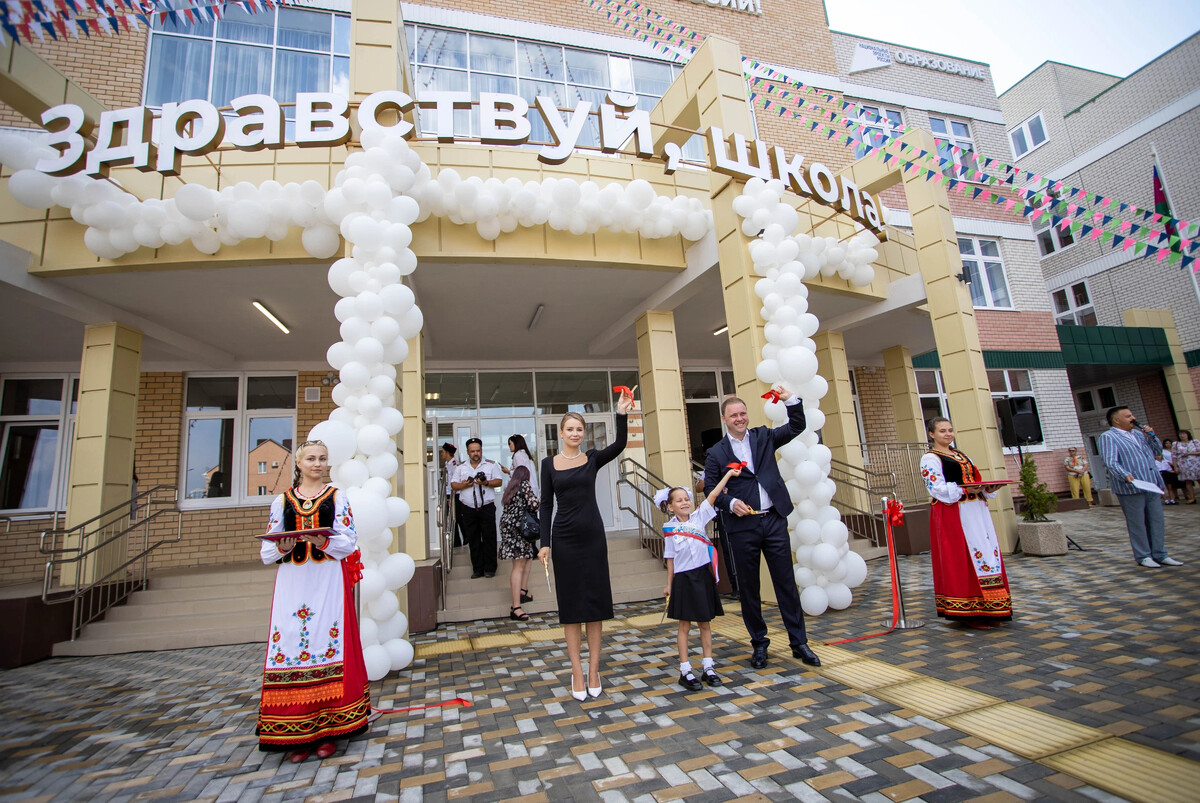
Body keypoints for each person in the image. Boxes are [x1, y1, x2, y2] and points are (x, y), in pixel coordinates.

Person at [256, 440, 369, 762]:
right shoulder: (282, 501)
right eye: (311, 459)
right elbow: (267, 551)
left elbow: (348, 541)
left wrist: (324, 541)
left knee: (326, 642)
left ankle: (331, 728)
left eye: (322, 459)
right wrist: (282, 546)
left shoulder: (337, 497)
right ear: (299, 464)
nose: (317, 464)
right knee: (291, 644)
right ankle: (295, 728)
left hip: (326, 580)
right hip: (293, 581)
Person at [703, 386, 821, 669]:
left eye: (743, 413)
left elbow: (797, 425)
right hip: (743, 527)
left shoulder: (764, 436)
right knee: (750, 588)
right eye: (734, 415)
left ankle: (799, 642)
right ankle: (759, 643)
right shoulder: (716, 452)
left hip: (774, 520)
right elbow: (710, 489)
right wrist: (731, 503)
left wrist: (790, 399)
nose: (740, 418)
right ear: (724, 418)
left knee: (786, 584)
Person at [537, 389, 633, 701]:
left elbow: (619, 445)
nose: (576, 433)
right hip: (563, 539)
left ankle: (594, 669)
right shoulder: (548, 464)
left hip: (593, 537)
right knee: (571, 608)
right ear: (561, 432)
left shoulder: (592, 459)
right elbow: (546, 506)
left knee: (594, 606)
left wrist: (620, 413)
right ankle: (576, 670)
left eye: (580, 429)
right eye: (570, 429)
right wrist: (544, 543)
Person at [920, 417, 1013, 623]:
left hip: (976, 510)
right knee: (963, 556)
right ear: (931, 434)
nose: (948, 434)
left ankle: (992, 606)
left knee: (987, 553)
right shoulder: (930, 458)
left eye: (950, 430)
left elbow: (974, 479)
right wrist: (963, 490)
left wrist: (987, 489)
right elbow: (935, 488)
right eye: (942, 431)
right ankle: (969, 609)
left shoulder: (960, 455)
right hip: (955, 512)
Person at [659, 465, 741, 691]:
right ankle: (685, 670)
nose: (684, 502)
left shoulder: (699, 517)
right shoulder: (669, 529)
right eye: (679, 500)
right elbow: (670, 559)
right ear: (670, 506)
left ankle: (708, 667)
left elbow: (713, 494)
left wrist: (728, 475)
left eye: (686, 498)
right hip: (683, 580)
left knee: (705, 623)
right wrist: (669, 584)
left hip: (703, 576)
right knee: (684, 625)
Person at [1098, 407, 1183, 568]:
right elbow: (1110, 461)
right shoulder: (1108, 437)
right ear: (1117, 420)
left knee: (1156, 520)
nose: (1133, 418)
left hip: (1151, 484)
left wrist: (1152, 436)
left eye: (1132, 415)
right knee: (1137, 523)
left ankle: (1160, 553)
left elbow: (1158, 452)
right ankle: (1143, 555)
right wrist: (1124, 474)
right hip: (1130, 487)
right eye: (1128, 416)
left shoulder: (1138, 434)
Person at [499, 435, 539, 621]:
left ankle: (522, 592)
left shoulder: (510, 488)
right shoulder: (525, 484)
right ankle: (516, 606)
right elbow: (534, 505)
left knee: (525, 559)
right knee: (518, 565)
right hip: (521, 529)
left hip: (509, 528)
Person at [451, 438, 503, 579]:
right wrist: (464, 485)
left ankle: (490, 568)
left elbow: (499, 481)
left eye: (478, 450)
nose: (476, 453)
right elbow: (453, 484)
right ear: (468, 452)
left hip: (486, 507)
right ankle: (477, 569)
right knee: (473, 539)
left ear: (481, 450)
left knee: (489, 537)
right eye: (473, 451)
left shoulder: (491, 465)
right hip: (468, 508)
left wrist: (486, 482)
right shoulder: (461, 467)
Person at [440, 443, 466, 547]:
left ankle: (464, 538)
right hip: (449, 494)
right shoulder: (448, 464)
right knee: (453, 518)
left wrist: (451, 497)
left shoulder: (454, 465)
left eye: (443, 452)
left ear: (447, 453)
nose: (441, 454)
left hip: (454, 495)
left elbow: (456, 481)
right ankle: (457, 541)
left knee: (456, 518)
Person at [1172, 430, 1200, 504]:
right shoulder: (1176, 444)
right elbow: (1174, 456)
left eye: (1184, 434)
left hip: (1196, 465)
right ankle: (1192, 498)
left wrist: (1189, 453)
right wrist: (1175, 467)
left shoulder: (1194, 442)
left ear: (1188, 435)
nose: (1182, 436)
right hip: (1184, 465)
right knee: (1188, 482)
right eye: (1180, 434)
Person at [1158, 440, 1182, 505]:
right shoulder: (1155, 463)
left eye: (1160, 455)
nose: (1159, 457)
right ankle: (1165, 500)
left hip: (1167, 474)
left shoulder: (1165, 462)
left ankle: (1172, 499)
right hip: (1160, 474)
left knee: (1170, 488)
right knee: (1161, 488)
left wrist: (1175, 471)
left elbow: (1169, 469)